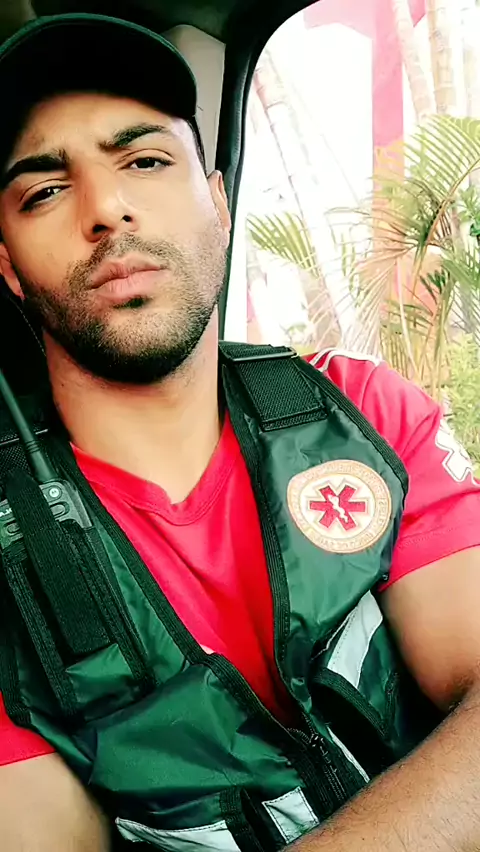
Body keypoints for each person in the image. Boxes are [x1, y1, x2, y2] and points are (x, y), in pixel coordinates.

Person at [0, 12, 480, 852]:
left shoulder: (361, 412)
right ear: (6, 264)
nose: (106, 208)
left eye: (146, 162)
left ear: (218, 202)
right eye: (44, 191)